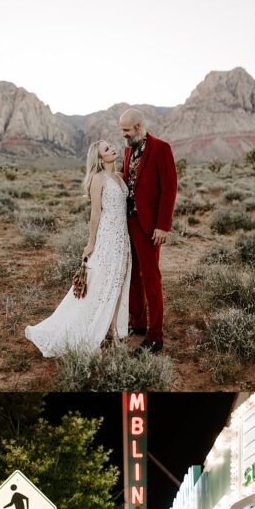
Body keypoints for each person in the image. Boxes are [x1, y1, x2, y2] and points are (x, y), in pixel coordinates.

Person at [25, 141, 131, 355]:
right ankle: (94, 328)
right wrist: (91, 242)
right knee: (102, 282)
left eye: (110, 146)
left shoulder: (119, 177)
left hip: (123, 237)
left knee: (118, 282)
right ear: (99, 158)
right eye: (106, 149)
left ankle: (111, 330)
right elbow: (95, 214)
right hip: (107, 237)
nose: (111, 149)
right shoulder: (98, 179)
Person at [119, 109, 178, 355]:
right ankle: (138, 322)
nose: (124, 135)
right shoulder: (128, 149)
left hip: (150, 227)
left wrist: (163, 225)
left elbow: (169, 189)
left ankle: (155, 337)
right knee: (133, 275)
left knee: (151, 280)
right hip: (129, 223)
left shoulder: (161, 148)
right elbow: (128, 180)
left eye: (127, 130)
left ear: (139, 126)